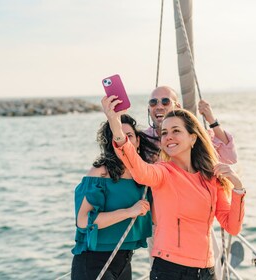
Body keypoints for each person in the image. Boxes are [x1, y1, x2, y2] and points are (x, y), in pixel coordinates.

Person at [102, 95, 246, 280]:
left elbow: (232, 226)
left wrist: (238, 188)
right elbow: (139, 169)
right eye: (164, 133)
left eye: (176, 130)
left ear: (193, 138)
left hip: (207, 271)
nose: (168, 136)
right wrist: (115, 125)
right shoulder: (163, 172)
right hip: (170, 270)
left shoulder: (211, 178)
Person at [71, 114, 160, 280]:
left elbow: (156, 216)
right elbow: (83, 221)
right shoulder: (101, 172)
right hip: (94, 262)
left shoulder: (143, 176)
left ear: (138, 142)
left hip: (125, 261)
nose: (124, 140)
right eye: (118, 135)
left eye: (130, 136)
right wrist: (128, 212)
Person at [145, 86, 237, 164]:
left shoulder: (194, 134)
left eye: (165, 101)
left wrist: (212, 121)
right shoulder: (143, 139)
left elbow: (230, 158)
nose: (159, 107)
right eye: (153, 102)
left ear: (177, 107)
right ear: (149, 109)